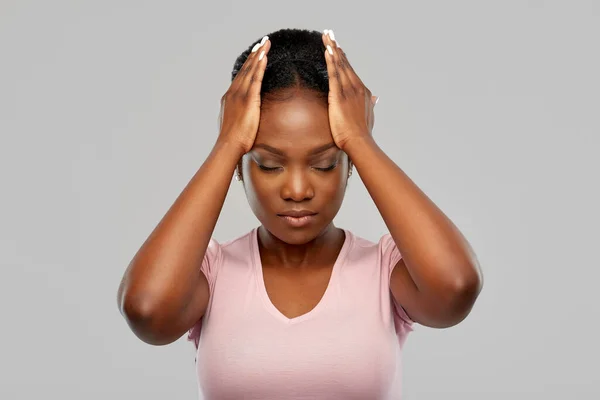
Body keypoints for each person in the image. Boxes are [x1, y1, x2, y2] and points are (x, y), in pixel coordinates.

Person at [117, 28, 483, 399]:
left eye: (324, 165)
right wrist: (227, 144)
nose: (297, 191)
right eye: (270, 165)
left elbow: (455, 288)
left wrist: (359, 139)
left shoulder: (385, 270)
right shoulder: (211, 272)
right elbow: (147, 311)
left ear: (351, 165)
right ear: (240, 167)